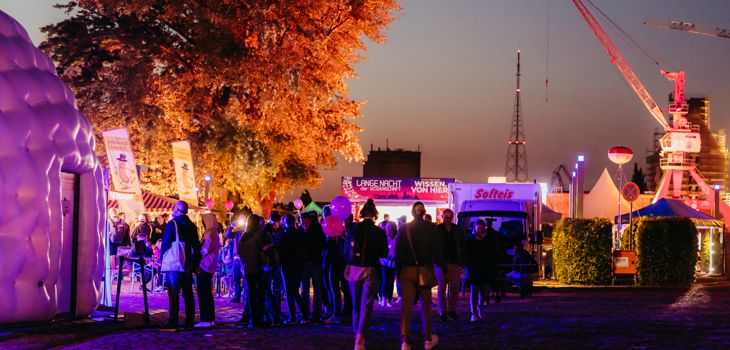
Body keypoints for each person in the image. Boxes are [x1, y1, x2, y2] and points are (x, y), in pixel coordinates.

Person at [396, 202, 443, 350]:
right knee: (426, 306)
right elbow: (437, 251)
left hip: (407, 270)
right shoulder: (432, 228)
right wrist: (442, 267)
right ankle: (428, 340)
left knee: (406, 307)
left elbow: (399, 252)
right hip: (424, 270)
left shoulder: (405, 228)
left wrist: (398, 272)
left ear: (412, 212)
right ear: (424, 212)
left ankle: (405, 341)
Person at [344, 199, 388, 350]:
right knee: (366, 305)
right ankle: (360, 338)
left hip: (353, 269)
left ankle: (356, 331)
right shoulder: (379, 232)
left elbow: (345, 251)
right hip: (370, 270)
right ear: (375, 215)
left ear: (362, 214)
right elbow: (384, 253)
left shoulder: (352, 229)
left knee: (355, 304)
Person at [161, 201, 201, 329]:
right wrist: (195, 263)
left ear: (177, 209)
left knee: (173, 292)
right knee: (188, 293)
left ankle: (173, 320)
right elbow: (197, 246)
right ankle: (189, 319)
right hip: (188, 263)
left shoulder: (172, 224)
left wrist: (163, 258)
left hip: (174, 263)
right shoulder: (192, 226)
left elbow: (166, 243)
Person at [237, 214, 272, 328]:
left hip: (248, 269)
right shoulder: (259, 235)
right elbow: (264, 249)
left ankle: (253, 319)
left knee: (251, 295)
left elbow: (240, 251)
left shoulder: (244, 236)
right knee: (260, 295)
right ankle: (259, 319)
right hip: (258, 268)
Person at [464, 219, 498, 322]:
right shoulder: (470, 240)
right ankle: (474, 313)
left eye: (481, 228)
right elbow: (466, 255)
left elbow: (492, 254)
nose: (480, 230)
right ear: (474, 228)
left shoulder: (488, 240)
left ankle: (480, 307)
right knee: (474, 290)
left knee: (484, 292)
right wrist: (466, 268)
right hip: (473, 268)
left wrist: (492, 267)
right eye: (478, 228)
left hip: (485, 269)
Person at [435, 209, 465, 322]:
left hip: (454, 262)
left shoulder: (457, 229)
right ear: (442, 217)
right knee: (442, 288)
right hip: (441, 262)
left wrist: (463, 262)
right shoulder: (437, 229)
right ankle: (442, 312)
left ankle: (451, 309)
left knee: (455, 287)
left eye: (450, 217)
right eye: (446, 217)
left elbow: (463, 245)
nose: (448, 219)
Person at [277, 214, 309, 324]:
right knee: (295, 290)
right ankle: (304, 314)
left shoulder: (284, 235)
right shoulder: (300, 234)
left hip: (287, 266)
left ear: (285, 222)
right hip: (299, 265)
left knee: (290, 292)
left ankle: (293, 316)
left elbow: (281, 250)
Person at [300, 211, 326, 323]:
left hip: (314, 262)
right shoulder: (302, 230)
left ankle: (314, 313)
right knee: (306, 289)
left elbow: (321, 245)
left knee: (316, 289)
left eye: (304, 221)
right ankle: (307, 313)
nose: (303, 223)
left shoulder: (317, 231)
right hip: (307, 262)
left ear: (308, 220)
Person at [196, 213, 221, 328]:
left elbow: (205, 249)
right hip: (210, 265)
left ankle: (206, 319)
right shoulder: (215, 233)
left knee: (203, 292)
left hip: (205, 265)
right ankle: (210, 318)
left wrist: (197, 255)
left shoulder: (210, 233)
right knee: (207, 293)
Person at [262, 212, 284, 325]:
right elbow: (263, 247)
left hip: (278, 263)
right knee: (268, 289)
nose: (276, 226)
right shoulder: (265, 231)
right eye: (274, 224)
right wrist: (273, 244)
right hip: (269, 263)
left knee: (277, 289)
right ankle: (270, 313)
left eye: (278, 224)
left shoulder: (281, 230)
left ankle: (277, 311)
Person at [378, 220, 398, 307]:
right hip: (384, 262)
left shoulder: (397, 238)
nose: (388, 228)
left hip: (393, 263)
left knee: (391, 281)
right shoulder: (384, 238)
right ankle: (383, 298)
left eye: (390, 227)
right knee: (385, 280)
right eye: (387, 227)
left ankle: (389, 299)